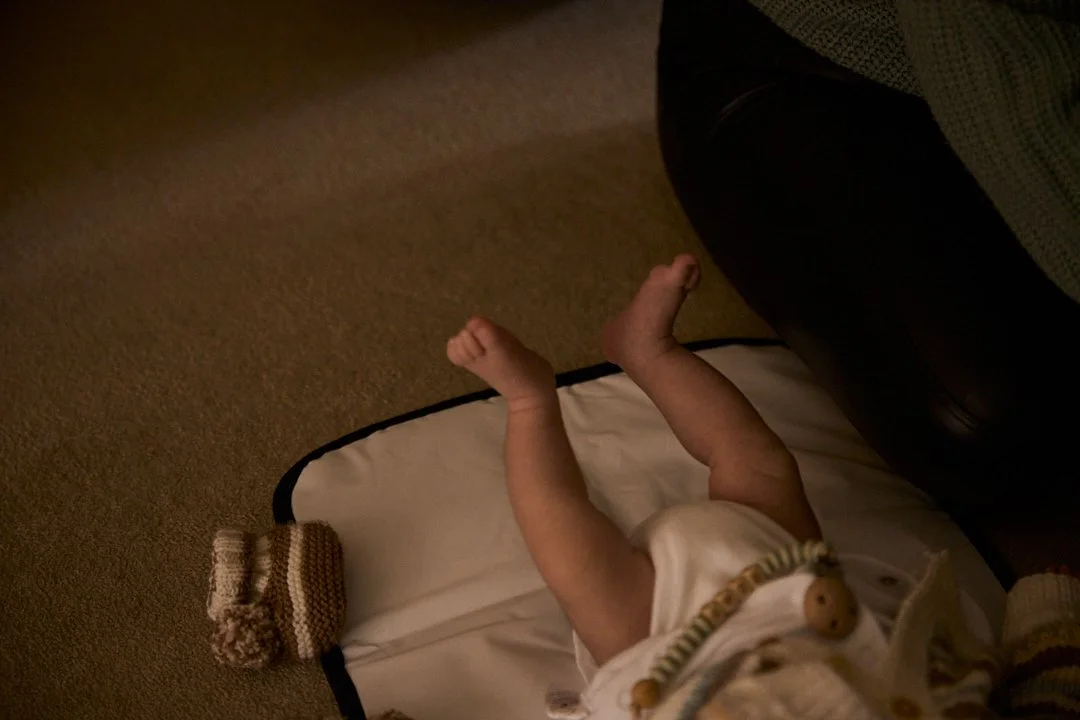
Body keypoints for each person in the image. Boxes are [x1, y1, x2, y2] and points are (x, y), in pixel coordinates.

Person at [447, 256, 1079, 719]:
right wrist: (1050, 614)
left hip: (663, 652)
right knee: (758, 464)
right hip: (798, 594)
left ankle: (530, 402)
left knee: (571, 549)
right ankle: (648, 352)